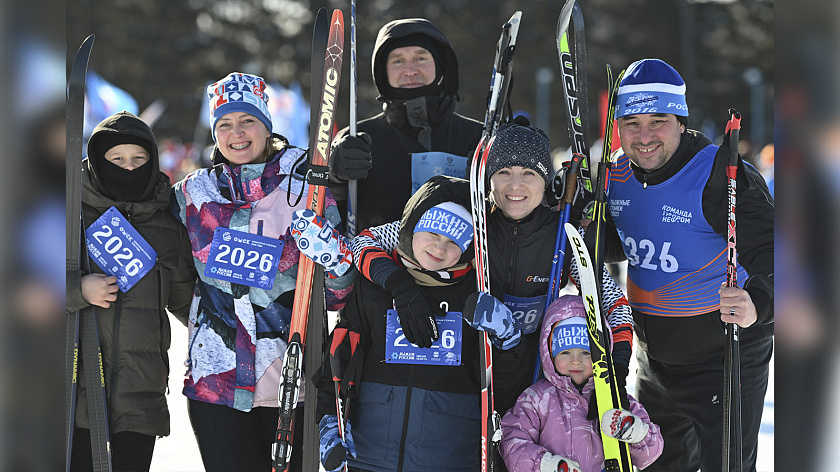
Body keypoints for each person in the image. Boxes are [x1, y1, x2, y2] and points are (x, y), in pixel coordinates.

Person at [350, 119, 634, 471]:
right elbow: (363, 242)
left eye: (529, 173)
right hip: (477, 376)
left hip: (537, 382)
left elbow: (611, 300)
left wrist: (617, 365)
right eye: (504, 172)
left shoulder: (562, 234)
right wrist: (399, 285)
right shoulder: (471, 221)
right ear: (489, 179)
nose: (515, 185)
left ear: (546, 181)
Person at [171, 72, 355, 472]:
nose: (236, 133)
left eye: (247, 120)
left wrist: (335, 258)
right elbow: (169, 263)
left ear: (267, 126)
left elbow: (339, 294)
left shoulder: (308, 187)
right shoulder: (192, 193)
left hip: (291, 384)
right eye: (224, 124)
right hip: (216, 387)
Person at [607, 58, 774, 472]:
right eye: (631, 123)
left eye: (658, 120)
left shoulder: (719, 174)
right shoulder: (615, 176)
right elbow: (612, 244)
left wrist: (759, 303)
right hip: (653, 359)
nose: (643, 137)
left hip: (722, 359)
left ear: (680, 121)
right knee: (658, 464)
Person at [306, 175, 522, 472]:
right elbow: (341, 354)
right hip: (369, 455)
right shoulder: (375, 285)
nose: (439, 248)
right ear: (410, 229)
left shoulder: (477, 294)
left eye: (453, 241)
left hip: (447, 458)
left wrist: (507, 343)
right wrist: (330, 419)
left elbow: (499, 386)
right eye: (432, 233)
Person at [66, 111, 197, 471]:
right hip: (73, 390)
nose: (129, 167)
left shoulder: (168, 227)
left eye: (139, 159)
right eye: (117, 159)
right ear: (96, 162)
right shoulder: (65, 213)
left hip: (139, 394)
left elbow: (192, 305)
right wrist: (76, 289)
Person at [328, 17, 483, 233]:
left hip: (463, 266)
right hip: (373, 264)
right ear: (383, 72)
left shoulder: (477, 137)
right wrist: (334, 178)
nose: (410, 70)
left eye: (421, 58)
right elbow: (329, 219)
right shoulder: (356, 138)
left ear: (440, 65)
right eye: (398, 61)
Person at [500, 295, 663, 472]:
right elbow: (512, 442)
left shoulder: (614, 396)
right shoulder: (536, 399)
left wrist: (636, 433)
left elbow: (650, 453)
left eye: (585, 352)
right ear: (549, 353)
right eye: (566, 352)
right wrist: (545, 464)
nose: (575, 361)